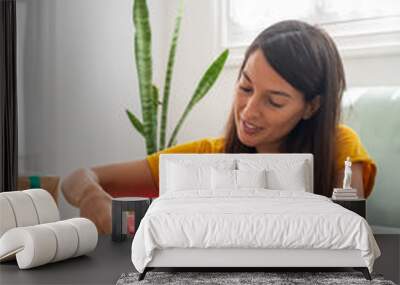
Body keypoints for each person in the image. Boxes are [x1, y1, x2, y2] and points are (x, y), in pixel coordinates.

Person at [61, 20, 376, 234]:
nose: (249, 112)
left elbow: (349, 231)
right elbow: (78, 177)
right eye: (245, 88)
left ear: (312, 106)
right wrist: (93, 197)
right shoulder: (208, 154)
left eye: (275, 101)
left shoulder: (340, 146)